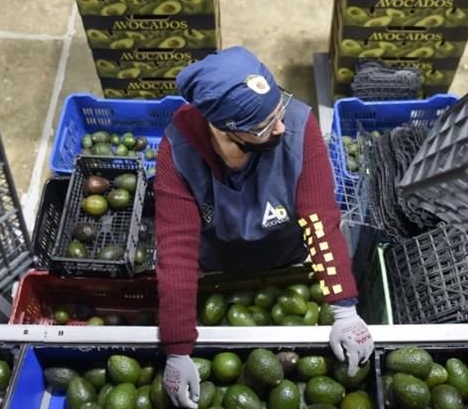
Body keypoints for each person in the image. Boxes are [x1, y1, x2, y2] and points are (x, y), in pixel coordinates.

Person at [154, 47, 374, 409]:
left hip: (285, 254)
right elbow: (176, 254)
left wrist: (343, 309)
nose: (280, 127)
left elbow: (320, 219)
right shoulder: (177, 153)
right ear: (225, 131)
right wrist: (177, 348)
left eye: (279, 110)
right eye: (264, 125)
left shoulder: (300, 131)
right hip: (219, 263)